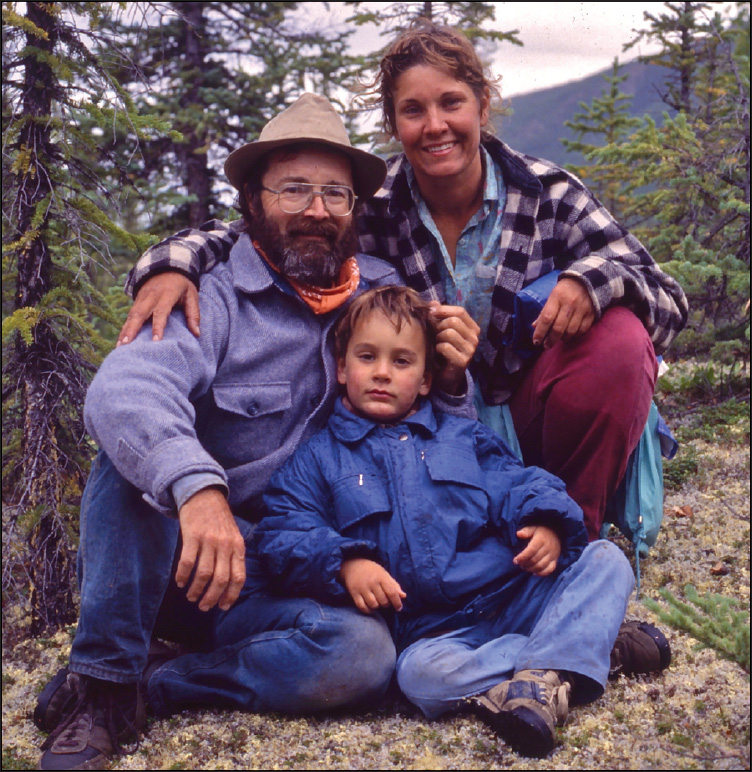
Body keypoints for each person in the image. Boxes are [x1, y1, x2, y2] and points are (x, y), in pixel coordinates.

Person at [35, 93, 478, 772]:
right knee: (127, 464)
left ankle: (152, 686)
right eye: (293, 189)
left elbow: (445, 438)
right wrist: (199, 489)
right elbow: (125, 390)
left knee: (361, 656)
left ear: (355, 210)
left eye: (335, 193)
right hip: (189, 560)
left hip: (298, 566)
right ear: (252, 200)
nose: (316, 210)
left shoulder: (384, 296)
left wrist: (449, 379)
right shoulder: (205, 293)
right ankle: (101, 684)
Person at [118, 22, 688, 542]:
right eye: (413, 110)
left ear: (482, 105)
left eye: (451, 103)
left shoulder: (549, 195)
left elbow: (666, 300)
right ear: (394, 125)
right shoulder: (373, 205)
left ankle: (576, 537)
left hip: (534, 415)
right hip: (429, 426)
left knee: (617, 342)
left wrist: (593, 281)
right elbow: (267, 230)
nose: (435, 125)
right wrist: (172, 264)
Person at [247, 285, 670, 758]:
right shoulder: (316, 459)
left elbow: (519, 483)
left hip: (514, 593)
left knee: (606, 559)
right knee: (419, 679)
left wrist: (547, 522)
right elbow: (285, 529)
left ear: (427, 380)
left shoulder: (463, 435)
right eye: (367, 357)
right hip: (434, 632)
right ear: (342, 368)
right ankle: (582, 652)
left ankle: (544, 669)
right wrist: (345, 564)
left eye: (402, 362)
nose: (382, 373)